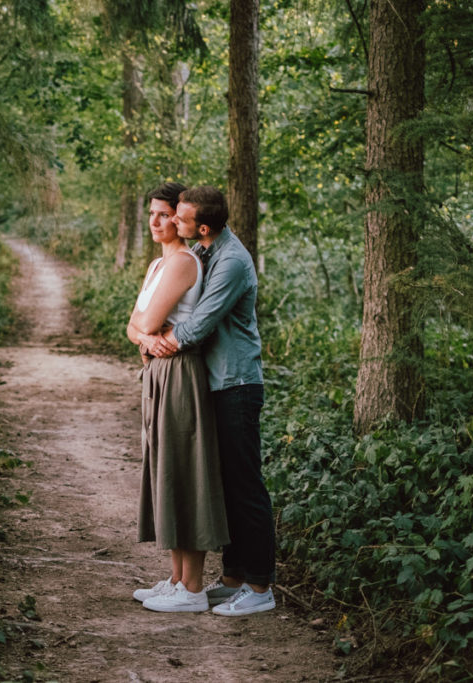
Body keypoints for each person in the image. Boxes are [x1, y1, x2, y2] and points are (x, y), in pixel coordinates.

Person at [144, 185, 276, 616]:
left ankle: (259, 586)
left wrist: (156, 340)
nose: (173, 224)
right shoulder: (205, 250)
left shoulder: (232, 261)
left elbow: (198, 325)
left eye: (179, 219)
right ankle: (234, 576)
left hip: (235, 383)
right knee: (222, 484)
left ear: (202, 225)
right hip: (212, 383)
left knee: (244, 484)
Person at [127, 182, 229, 613]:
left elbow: (147, 321)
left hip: (180, 374)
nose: (155, 222)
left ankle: (192, 588)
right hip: (158, 370)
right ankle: (174, 579)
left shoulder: (184, 263)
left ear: (181, 220)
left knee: (185, 470)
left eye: (164, 214)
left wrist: (145, 334)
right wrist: (143, 338)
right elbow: (133, 327)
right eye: (150, 213)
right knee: (164, 467)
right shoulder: (156, 266)